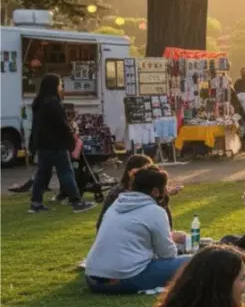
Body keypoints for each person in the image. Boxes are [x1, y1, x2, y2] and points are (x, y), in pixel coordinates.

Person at [84, 166, 189, 294]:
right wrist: (172, 238)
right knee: (194, 261)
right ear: (155, 192)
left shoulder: (116, 204)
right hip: (125, 278)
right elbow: (167, 254)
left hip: (93, 278)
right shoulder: (155, 211)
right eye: (164, 189)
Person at [27, 74, 95, 213]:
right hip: (56, 144)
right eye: (59, 84)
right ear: (54, 86)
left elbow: (35, 125)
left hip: (43, 144)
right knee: (66, 172)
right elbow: (61, 124)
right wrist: (71, 136)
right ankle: (77, 202)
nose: (61, 87)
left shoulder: (39, 102)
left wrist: (33, 144)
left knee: (43, 173)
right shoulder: (54, 103)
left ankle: (36, 203)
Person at [96, 154, 177, 230]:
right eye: (142, 171)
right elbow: (102, 223)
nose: (146, 174)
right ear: (130, 172)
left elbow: (166, 226)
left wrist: (163, 195)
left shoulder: (154, 192)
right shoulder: (118, 195)